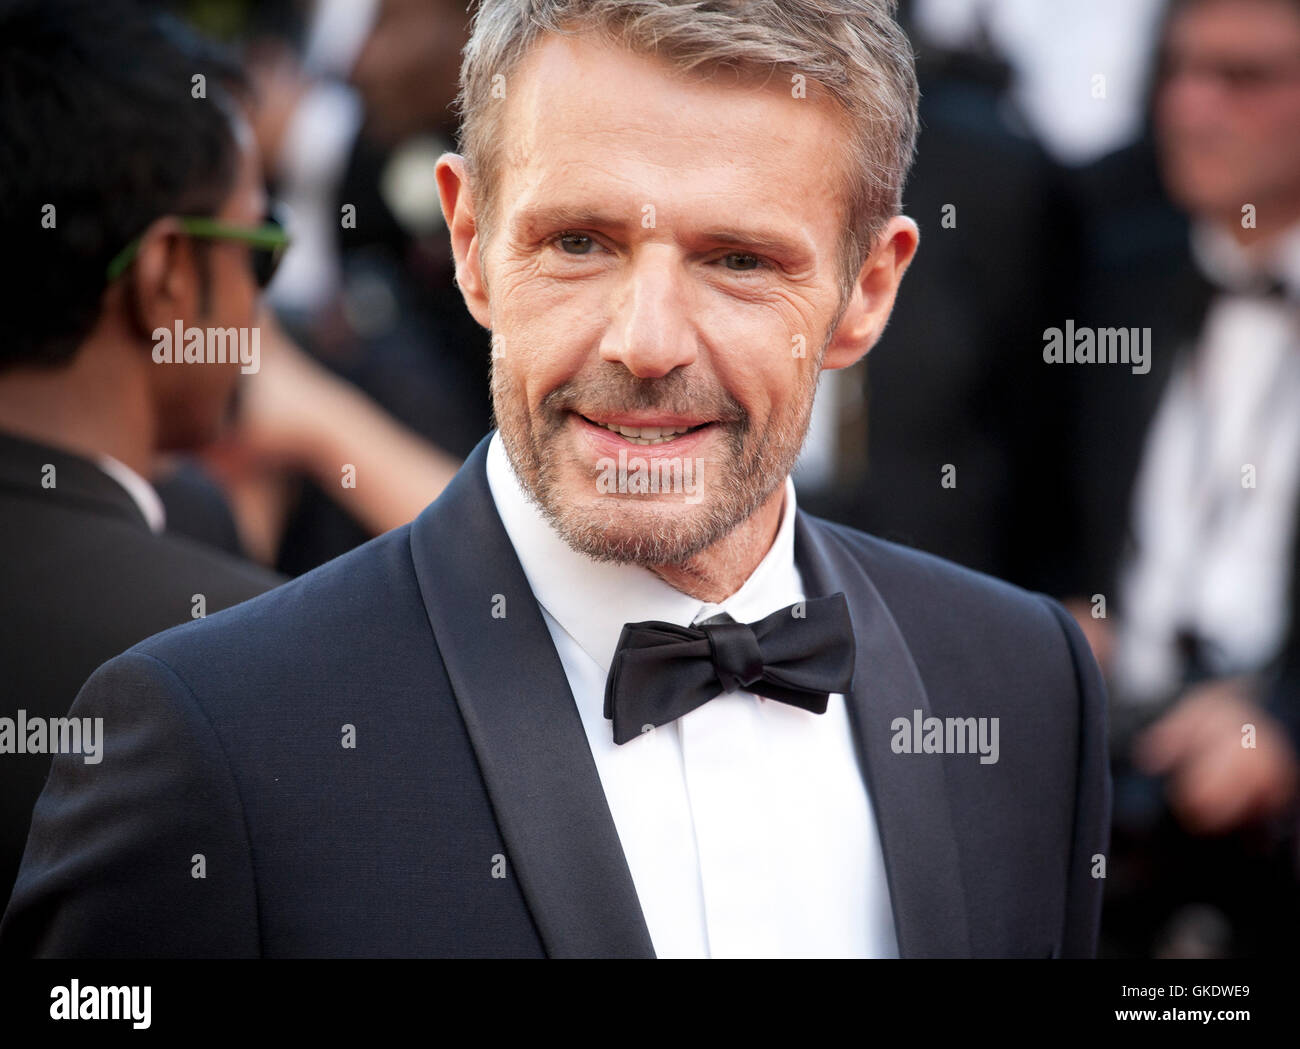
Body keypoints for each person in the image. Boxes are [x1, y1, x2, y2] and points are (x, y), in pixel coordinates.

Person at [1, 0, 1109, 959]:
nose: (646, 341)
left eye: (738, 260)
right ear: (471, 241)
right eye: (579, 241)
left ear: (866, 291)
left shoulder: (1022, 688)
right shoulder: (216, 738)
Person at [0, 0, 287, 904]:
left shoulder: (199, 541)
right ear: (167, 276)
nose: (259, 309)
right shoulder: (250, 651)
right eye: (262, 248)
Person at [1066, 0, 1300, 956]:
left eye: (1244, 78)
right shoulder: (1110, 279)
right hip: (1112, 775)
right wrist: (1054, 623)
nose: (1193, 107)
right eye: (1179, 71)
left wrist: (1281, 730)